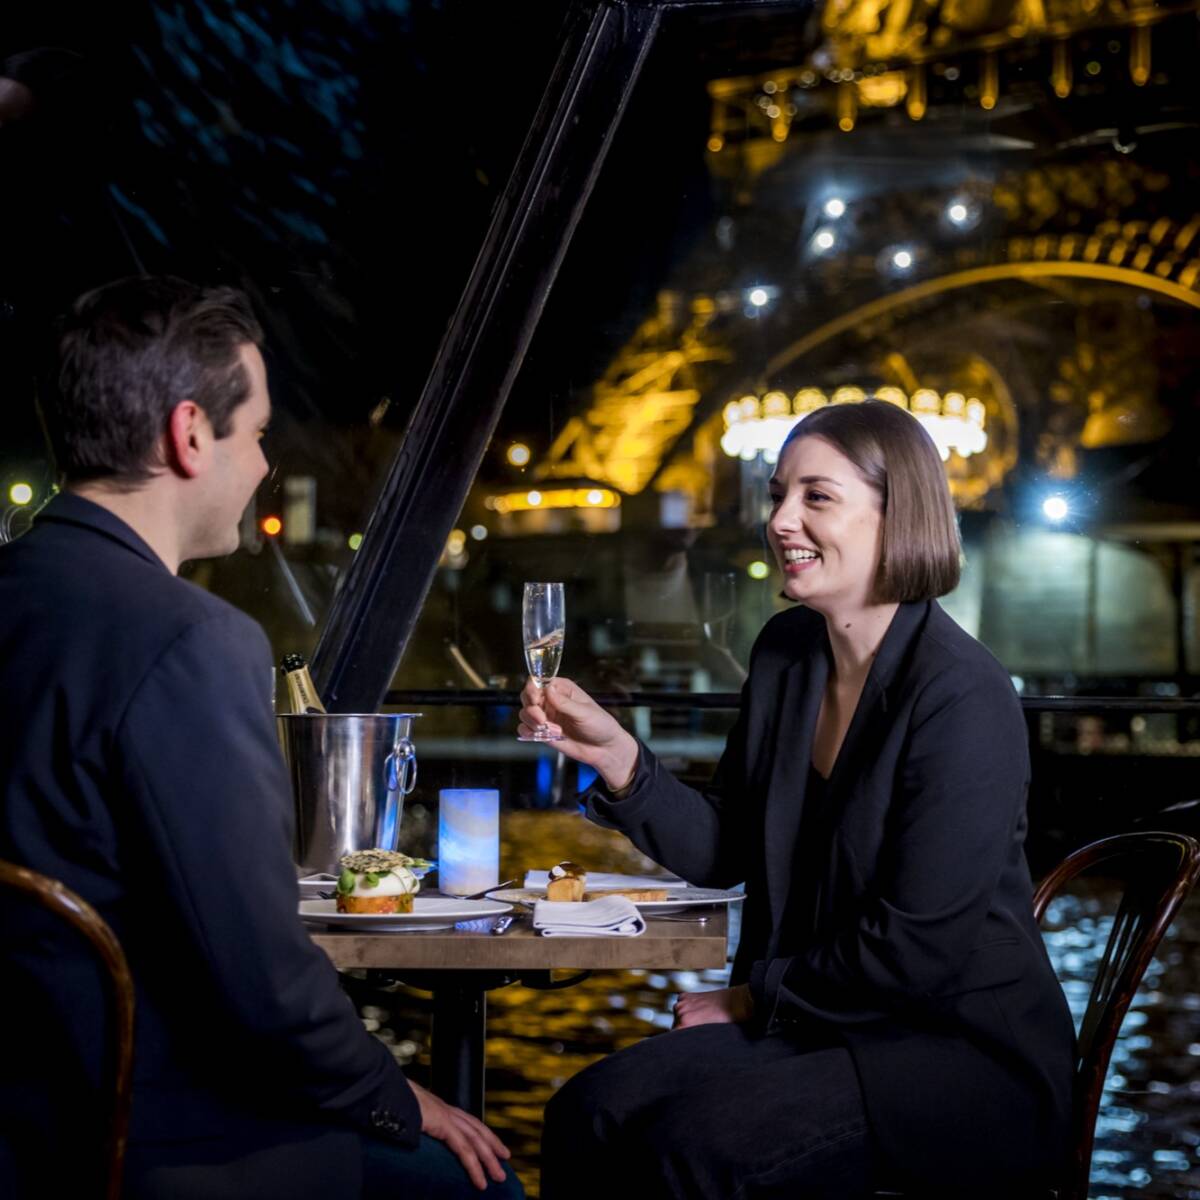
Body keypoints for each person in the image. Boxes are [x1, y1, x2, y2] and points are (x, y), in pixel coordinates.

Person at [0, 275, 523, 1200]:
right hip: (135, 1132)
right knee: (469, 1183)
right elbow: (265, 986)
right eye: (258, 434)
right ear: (191, 434)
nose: (265, 467)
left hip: (19, 1112)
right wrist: (394, 1097)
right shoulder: (191, 643)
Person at [521, 399, 1076, 1199]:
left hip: (956, 1052)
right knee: (587, 1112)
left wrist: (753, 998)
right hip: (826, 1023)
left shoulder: (964, 695)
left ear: (899, 516)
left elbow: (917, 949)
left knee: (694, 1150)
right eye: (779, 494)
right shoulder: (786, 654)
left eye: (817, 497)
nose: (781, 519)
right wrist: (620, 760)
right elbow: (728, 850)